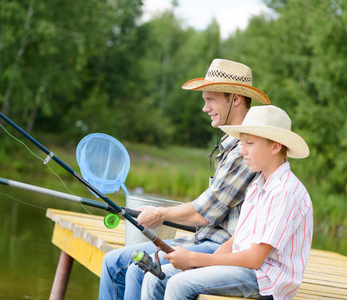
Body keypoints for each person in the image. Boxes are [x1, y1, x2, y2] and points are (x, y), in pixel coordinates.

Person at [98, 59, 271, 300]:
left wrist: (160, 215)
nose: (205, 107)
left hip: (218, 247)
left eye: (211, 99)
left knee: (118, 265)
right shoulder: (234, 145)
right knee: (121, 264)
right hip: (203, 239)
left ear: (235, 98)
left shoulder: (245, 150)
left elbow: (205, 212)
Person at [142, 105, 313, 300]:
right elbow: (236, 240)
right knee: (154, 277)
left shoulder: (284, 191)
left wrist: (193, 258)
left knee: (179, 284)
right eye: (241, 143)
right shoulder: (259, 184)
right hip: (242, 267)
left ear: (275, 146)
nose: (242, 150)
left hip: (264, 278)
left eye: (249, 143)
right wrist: (200, 264)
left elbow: (255, 259)